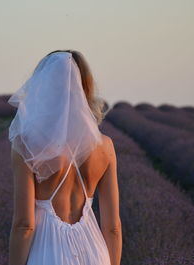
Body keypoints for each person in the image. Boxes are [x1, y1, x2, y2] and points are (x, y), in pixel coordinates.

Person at [8, 49, 122, 265]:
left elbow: (24, 225)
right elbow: (113, 227)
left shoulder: (26, 145)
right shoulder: (105, 146)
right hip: (94, 253)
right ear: (84, 89)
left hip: (48, 254)